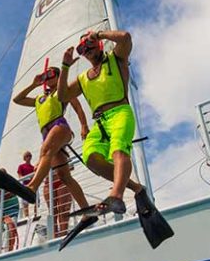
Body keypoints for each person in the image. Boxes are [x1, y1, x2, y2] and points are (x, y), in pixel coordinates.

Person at [57, 29, 145, 214]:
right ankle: (137, 188)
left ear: (97, 45)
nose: (86, 49)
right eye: (81, 48)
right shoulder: (83, 78)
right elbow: (63, 95)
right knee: (91, 159)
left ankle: (116, 196)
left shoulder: (116, 58)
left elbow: (126, 38)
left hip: (120, 111)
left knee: (119, 151)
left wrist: (99, 34)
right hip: (99, 122)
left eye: (89, 44)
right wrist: (65, 67)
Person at [12, 63, 93, 220]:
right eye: (45, 76)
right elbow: (18, 99)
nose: (47, 78)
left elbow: (78, 108)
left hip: (60, 126)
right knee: (64, 176)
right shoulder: (39, 99)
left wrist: (84, 126)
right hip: (47, 133)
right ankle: (87, 211)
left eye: (50, 75)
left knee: (45, 151)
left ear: (58, 77)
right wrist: (33, 84)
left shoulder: (63, 92)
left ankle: (32, 187)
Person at [16, 151, 35, 218]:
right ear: (24, 158)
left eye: (30, 156)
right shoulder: (21, 166)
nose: (29, 157)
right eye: (27, 156)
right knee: (25, 203)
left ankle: (35, 215)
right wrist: (27, 179)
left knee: (35, 200)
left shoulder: (33, 167)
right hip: (25, 186)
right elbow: (20, 176)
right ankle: (27, 217)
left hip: (33, 185)